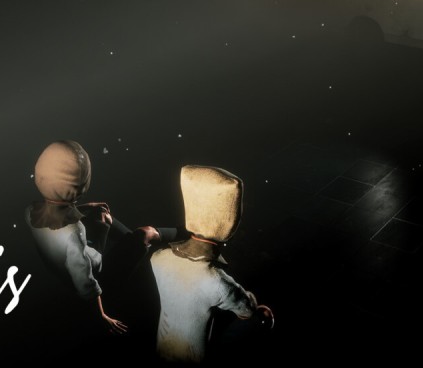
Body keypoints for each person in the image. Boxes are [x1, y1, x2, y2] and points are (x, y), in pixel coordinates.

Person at [24, 139, 175, 335]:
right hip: (99, 276)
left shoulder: (30, 211)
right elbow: (86, 283)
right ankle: (183, 234)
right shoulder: (74, 232)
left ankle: (137, 249)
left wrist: (86, 207)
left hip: (62, 268)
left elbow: (56, 212)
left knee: (102, 214)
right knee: (145, 232)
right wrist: (102, 316)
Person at [151, 165, 273, 362]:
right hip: (195, 359)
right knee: (260, 318)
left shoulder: (158, 257)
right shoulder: (217, 281)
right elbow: (247, 309)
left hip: (162, 347)